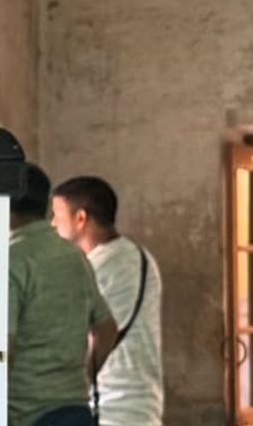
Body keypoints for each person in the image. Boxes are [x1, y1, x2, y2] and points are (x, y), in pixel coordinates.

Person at [9, 165, 119, 426]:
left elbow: (4, 349)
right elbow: (107, 329)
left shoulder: (11, 261)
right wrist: (81, 380)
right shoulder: (74, 256)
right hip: (74, 409)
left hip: (26, 414)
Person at [51, 176, 164, 426]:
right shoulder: (140, 258)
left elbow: (88, 338)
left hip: (113, 407)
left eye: (57, 215)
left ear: (80, 218)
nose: (53, 223)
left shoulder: (98, 267)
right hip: (139, 406)